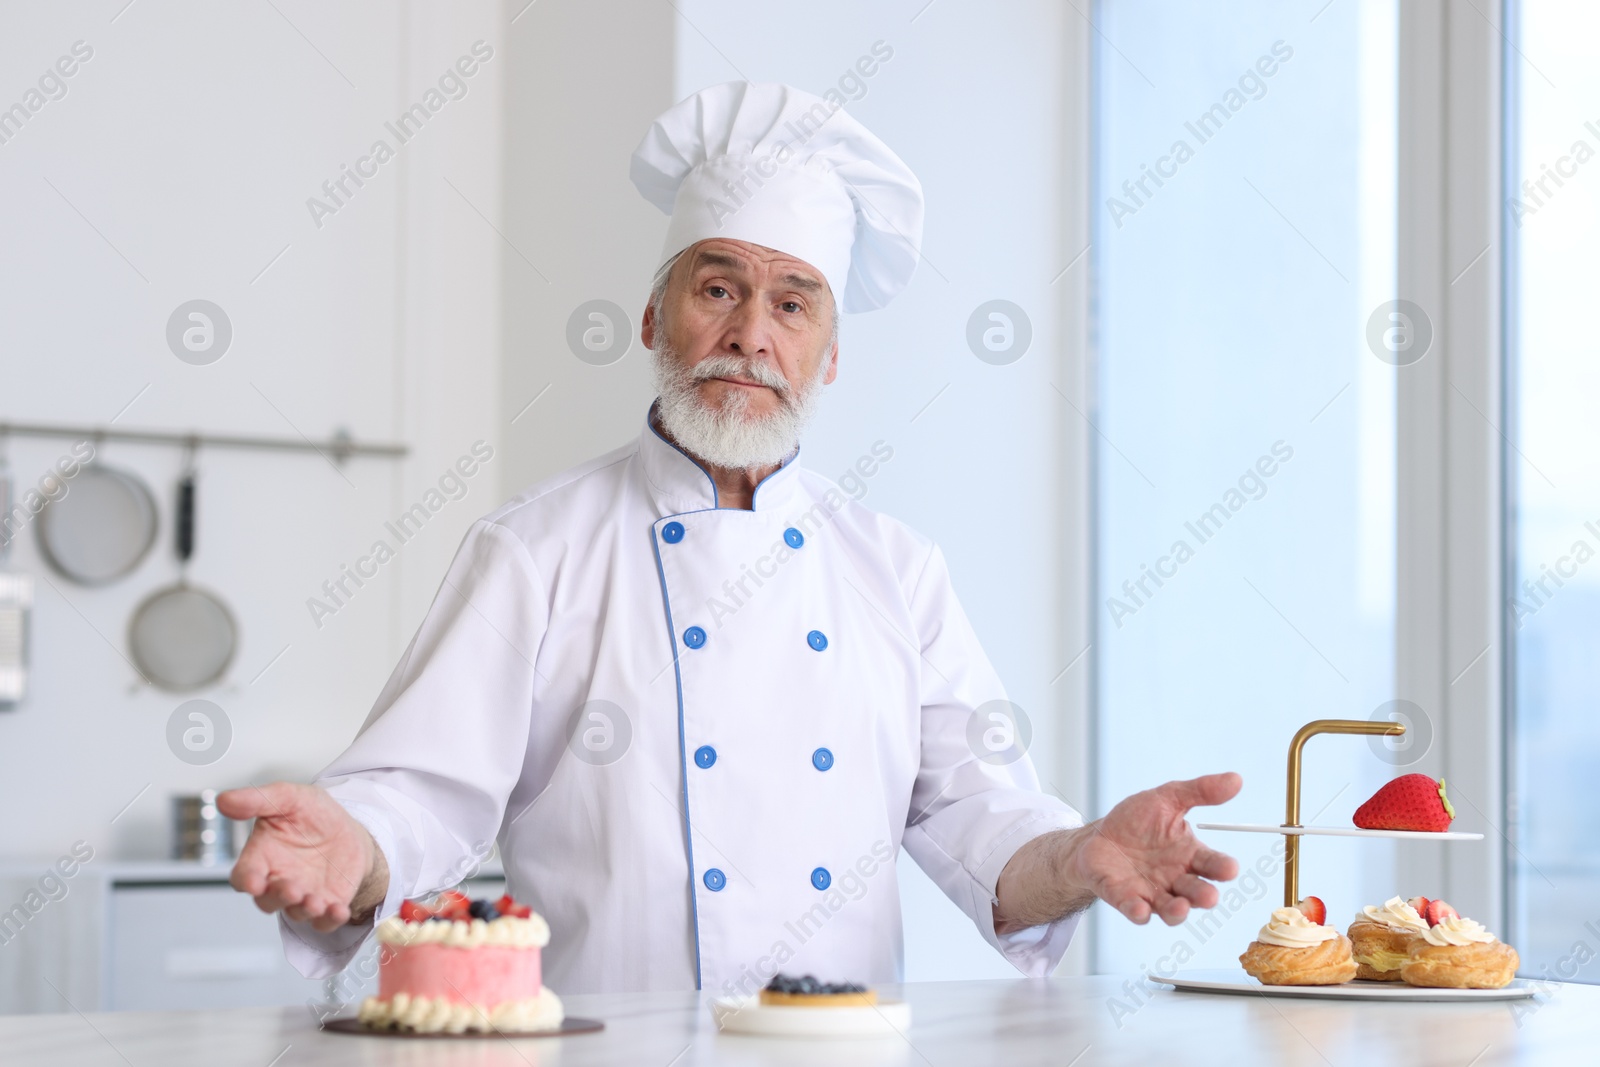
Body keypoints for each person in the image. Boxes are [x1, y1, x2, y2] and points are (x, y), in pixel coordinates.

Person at [221, 81, 1241, 997]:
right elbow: (422, 789)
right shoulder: (536, 548)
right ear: (653, 320)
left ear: (827, 357)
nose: (752, 335)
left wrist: (1080, 855)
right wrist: (352, 847)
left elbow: (982, 818)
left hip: (836, 1050)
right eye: (719, 290)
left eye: (791, 305)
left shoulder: (898, 568)